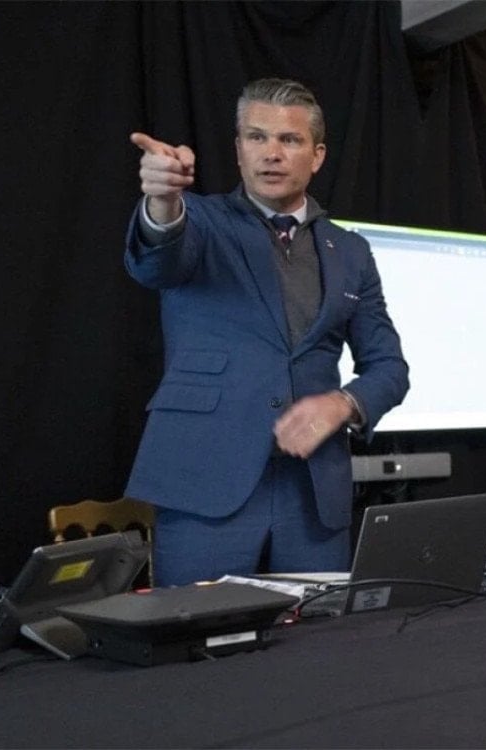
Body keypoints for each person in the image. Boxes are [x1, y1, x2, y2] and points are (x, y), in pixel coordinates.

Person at [125, 78, 410, 586]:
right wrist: (163, 200)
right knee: (198, 631)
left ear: (317, 156)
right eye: (256, 137)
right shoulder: (200, 220)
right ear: (238, 150)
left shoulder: (351, 251)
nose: (271, 153)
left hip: (313, 494)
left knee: (318, 633)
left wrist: (343, 404)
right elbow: (156, 262)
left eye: (289, 140)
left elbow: (389, 367)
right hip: (206, 482)